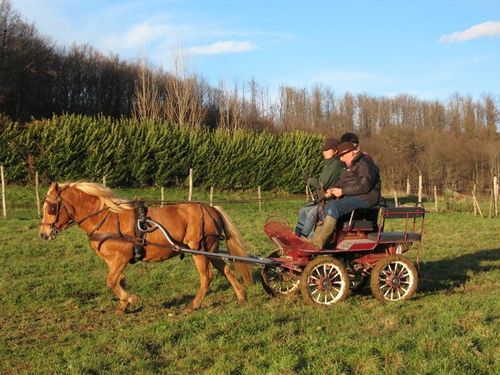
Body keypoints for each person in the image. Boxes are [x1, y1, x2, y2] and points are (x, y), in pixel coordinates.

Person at [310, 141, 381, 248]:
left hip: (366, 198)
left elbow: (364, 186)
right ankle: (315, 241)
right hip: (354, 196)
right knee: (325, 207)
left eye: (343, 156)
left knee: (334, 207)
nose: (341, 159)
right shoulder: (351, 165)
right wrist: (332, 190)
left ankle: (318, 243)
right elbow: (342, 181)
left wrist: (342, 192)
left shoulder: (364, 164)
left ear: (352, 152)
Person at [295, 137, 344, 238]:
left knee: (311, 214)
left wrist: (309, 180)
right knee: (303, 211)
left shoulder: (336, 165)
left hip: (331, 200)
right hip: (323, 199)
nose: (324, 153)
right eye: (323, 150)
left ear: (335, 150)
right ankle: (297, 235)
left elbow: (323, 183)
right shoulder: (328, 164)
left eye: (327, 150)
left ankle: (305, 238)